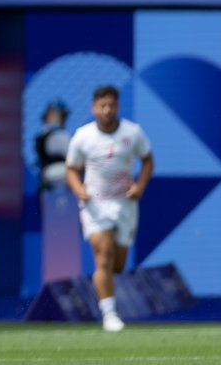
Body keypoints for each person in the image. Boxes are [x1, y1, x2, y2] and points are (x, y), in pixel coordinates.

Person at [64, 84, 154, 333]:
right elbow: (71, 168)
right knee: (103, 254)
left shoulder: (132, 133)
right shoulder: (83, 136)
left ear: (118, 106)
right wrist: (78, 189)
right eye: (102, 106)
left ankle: (107, 294)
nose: (107, 110)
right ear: (94, 108)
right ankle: (109, 314)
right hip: (95, 204)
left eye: (111, 105)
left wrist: (140, 186)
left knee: (117, 264)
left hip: (125, 203)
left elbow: (147, 160)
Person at [35, 100, 71, 190]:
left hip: (47, 176)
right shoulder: (58, 134)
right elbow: (73, 156)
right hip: (60, 176)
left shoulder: (44, 132)